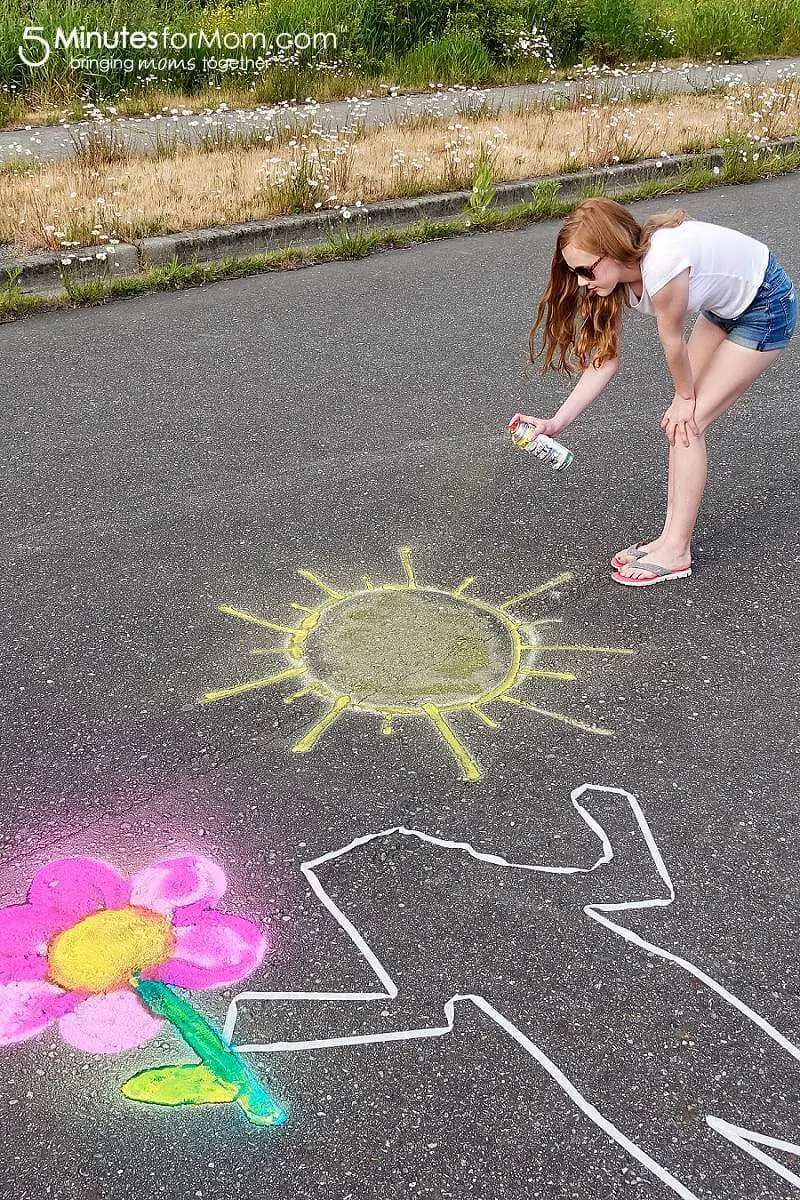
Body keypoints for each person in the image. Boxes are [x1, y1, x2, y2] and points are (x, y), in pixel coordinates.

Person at [509, 198, 797, 586]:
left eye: (584, 270)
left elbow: (673, 343)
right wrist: (557, 422)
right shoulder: (613, 280)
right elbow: (605, 361)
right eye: (573, 271)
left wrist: (685, 398)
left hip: (767, 305)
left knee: (687, 422)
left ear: (611, 251)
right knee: (679, 422)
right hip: (726, 306)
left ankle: (677, 551)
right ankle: (667, 539)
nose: (580, 281)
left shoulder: (662, 265)